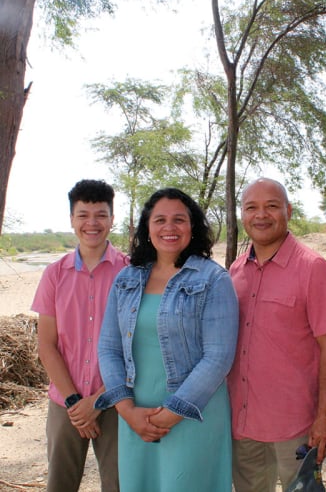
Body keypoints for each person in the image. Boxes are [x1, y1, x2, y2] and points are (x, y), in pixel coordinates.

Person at [95, 187, 239, 491]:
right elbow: (108, 348)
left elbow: (218, 357)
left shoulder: (213, 279)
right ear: (147, 228)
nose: (169, 227)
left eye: (179, 219)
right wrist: (126, 410)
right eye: (160, 220)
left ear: (193, 226)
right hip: (135, 414)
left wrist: (173, 413)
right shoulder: (127, 278)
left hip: (193, 414)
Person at [227, 177, 326, 492]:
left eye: (271, 206)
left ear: (288, 211)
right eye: (251, 207)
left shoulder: (313, 268)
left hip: (296, 426)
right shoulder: (236, 272)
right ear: (242, 214)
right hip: (243, 424)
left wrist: (325, 417)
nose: (260, 215)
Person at [32, 179, 128, 492]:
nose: (92, 223)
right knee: (59, 484)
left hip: (117, 402)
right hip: (65, 403)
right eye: (83, 215)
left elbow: (135, 347)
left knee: (119, 484)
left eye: (100, 215)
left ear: (112, 219)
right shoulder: (54, 274)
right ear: (72, 219)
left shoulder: (130, 272)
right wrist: (76, 403)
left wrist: (98, 401)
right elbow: (47, 345)